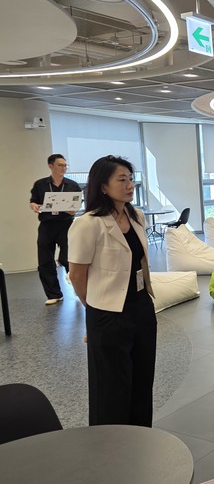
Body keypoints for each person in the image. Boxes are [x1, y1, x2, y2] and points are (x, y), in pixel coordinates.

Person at [68, 156, 157, 426]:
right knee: (110, 387)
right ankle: (110, 443)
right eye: (122, 180)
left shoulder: (136, 215)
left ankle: (141, 435)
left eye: (131, 179)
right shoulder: (88, 223)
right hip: (107, 314)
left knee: (142, 379)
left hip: (141, 306)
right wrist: (94, 306)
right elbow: (77, 275)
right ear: (103, 186)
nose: (130, 185)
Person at [29, 154, 82, 305]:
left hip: (66, 224)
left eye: (65, 165)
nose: (64, 168)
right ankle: (54, 294)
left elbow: (77, 204)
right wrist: (34, 206)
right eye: (60, 165)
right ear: (50, 166)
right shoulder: (40, 184)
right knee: (45, 260)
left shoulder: (72, 185)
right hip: (47, 224)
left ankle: (79, 287)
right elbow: (33, 201)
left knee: (68, 258)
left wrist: (73, 210)